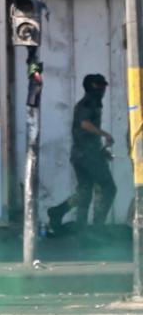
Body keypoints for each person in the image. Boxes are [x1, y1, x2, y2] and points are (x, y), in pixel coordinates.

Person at [47, 73, 117, 232]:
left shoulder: (90, 103)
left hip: (81, 155)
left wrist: (101, 149)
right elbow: (84, 124)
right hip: (88, 155)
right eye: (101, 86)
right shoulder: (88, 102)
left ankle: (62, 215)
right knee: (107, 187)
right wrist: (104, 134)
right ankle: (97, 229)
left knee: (85, 192)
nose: (104, 89)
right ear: (95, 87)